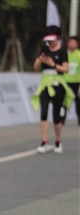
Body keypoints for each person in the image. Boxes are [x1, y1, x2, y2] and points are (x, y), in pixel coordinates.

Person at [32, 25, 74, 154]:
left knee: (56, 115)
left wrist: (52, 64)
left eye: (52, 40)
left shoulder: (62, 51)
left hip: (58, 83)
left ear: (58, 38)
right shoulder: (44, 49)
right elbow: (35, 67)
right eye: (48, 40)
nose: (50, 43)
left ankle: (57, 140)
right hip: (45, 83)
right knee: (43, 112)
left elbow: (65, 69)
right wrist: (40, 59)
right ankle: (44, 141)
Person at [63, 36, 80, 125]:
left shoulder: (78, 54)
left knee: (77, 101)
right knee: (64, 99)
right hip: (66, 81)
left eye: (74, 43)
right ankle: (62, 118)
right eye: (70, 42)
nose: (72, 44)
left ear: (77, 44)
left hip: (76, 82)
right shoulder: (64, 54)